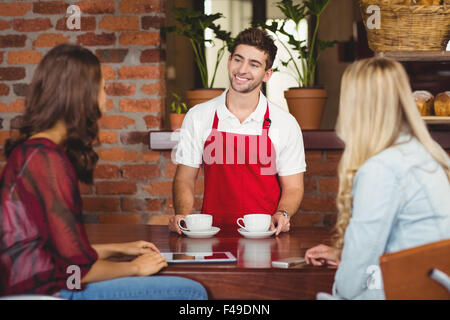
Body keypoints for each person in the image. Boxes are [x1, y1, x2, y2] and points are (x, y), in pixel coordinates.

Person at [0, 44, 207, 300]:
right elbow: (72, 270)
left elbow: (56, 250)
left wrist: (115, 249)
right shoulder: (47, 160)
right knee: (191, 292)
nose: (105, 98)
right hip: (45, 290)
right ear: (81, 94)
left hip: (38, 281)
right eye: (103, 88)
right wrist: (133, 267)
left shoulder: (33, 151)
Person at [304, 57, 450, 299]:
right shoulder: (428, 155)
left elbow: (349, 287)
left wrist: (352, 266)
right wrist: (347, 255)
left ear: (355, 108)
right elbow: (404, 241)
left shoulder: (383, 168)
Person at [168, 27, 306, 236]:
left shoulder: (285, 123)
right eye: (238, 59)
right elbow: (185, 179)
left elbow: (294, 187)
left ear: (267, 74)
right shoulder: (199, 116)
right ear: (229, 60)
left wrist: (283, 213)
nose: (242, 70)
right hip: (211, 236)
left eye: (254, 64)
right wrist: (183, 214)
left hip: (265, 235)